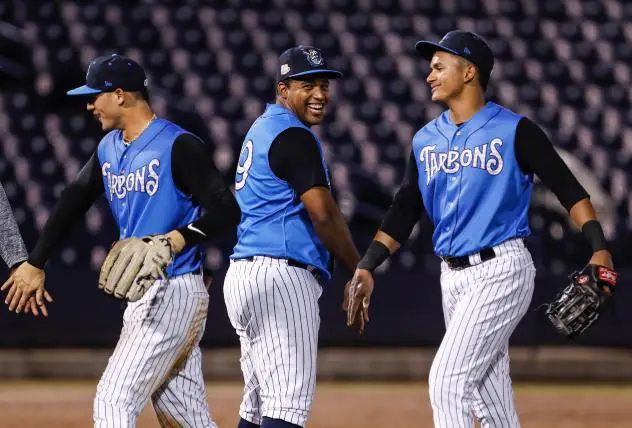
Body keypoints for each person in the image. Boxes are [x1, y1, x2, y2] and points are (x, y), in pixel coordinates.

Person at [346, 31, 614, 428]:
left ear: (469, 71)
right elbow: (404, 210)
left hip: (501, 269)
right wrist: (367, 264)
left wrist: (598, 247)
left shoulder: (515, 131)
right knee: (492, 403)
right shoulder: (425, 141)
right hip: (451, 278)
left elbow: (570, 191)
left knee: (448, 382)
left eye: (439, 66)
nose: (429, 76)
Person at [2, 54, 240, 427]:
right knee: (186, 418)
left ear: (119, 95)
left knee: (113, 400)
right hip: (144, 294)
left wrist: (178, 238)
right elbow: (72, 201)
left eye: (94, 95)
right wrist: (35, 262)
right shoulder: (109, 148)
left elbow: (227, 209)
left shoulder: (178, 145)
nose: (89, 105)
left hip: (172, 288)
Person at [223, 45, 370, 428]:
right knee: (287, 408)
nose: (320, 94)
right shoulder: (293, 135)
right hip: (281, 276)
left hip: (245, 273)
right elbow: (323, 214)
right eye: (308, 85)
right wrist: (360, 268)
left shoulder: (262, 128)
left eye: (324, 85)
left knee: (256, 408)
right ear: (283, 88)